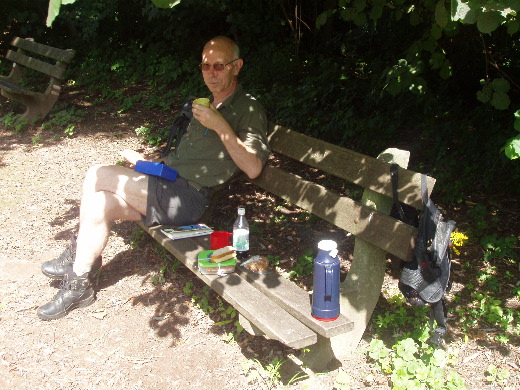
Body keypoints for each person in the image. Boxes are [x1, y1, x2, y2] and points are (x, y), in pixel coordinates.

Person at [37, 36, 271, 320]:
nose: (211, 72)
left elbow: (254, 168)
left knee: (97, 173)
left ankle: (75, 256)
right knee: (100, 202)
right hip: (167, 182)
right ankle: (79, 282)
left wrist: (220, 125)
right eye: (205, 65)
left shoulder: (248, 109)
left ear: (237, 66)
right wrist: (149, 165)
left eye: (219, 66)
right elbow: (186, 159)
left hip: (188, 198)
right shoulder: (206, 103)